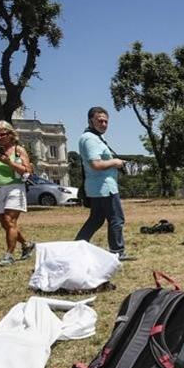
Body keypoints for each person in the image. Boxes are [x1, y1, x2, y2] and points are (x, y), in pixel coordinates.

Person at [75, 107, 131, 259]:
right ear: (90, 120)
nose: (104, 124)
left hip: (98, 187)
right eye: (100, 120)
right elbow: (96, 164)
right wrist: (115, 162)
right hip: (104, 187)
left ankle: (77, 247)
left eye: (106, 121)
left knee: (96, 219)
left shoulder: (94, 137)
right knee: (116, 219)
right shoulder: (90, 139)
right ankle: (117, 252)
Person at [0, 120, 35, 266]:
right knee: (6, 224)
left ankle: (9, 255)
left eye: (2, 134)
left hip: (14, 188)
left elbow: (28, 171)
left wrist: (9, 163)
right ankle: (26, 244)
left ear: (10, 134)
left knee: (10, 220)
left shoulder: (19, 150)